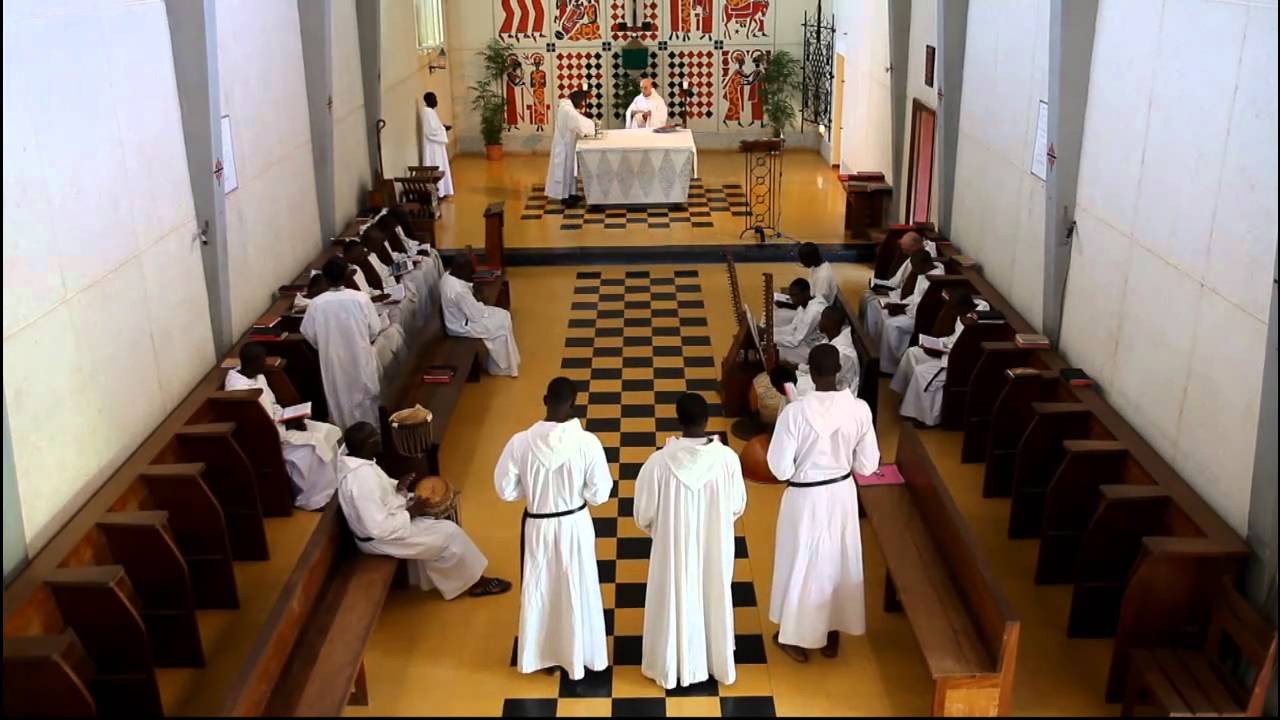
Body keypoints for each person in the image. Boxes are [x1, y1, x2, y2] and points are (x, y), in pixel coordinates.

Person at [767, 344, 880, 663]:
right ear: (839, 371)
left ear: (812, 373)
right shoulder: (859, 410)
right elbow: (868, 465)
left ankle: (793, 635)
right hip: (841, 495)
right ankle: (831, 633)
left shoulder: (795, 413)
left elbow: (780, 469)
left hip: (804, 497)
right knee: (836, 562)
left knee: (801, 562)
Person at [494, 377, 612, 680]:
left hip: (538, 523)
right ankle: (581, 655)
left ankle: (543, 656)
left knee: (541, 587)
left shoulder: (520, 441)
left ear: (545, 399)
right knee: (578, 585)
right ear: (574, 403)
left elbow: (505, 490)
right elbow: (599, 494)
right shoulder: (587, 443)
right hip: (574, 522)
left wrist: (532, 491)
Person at [634, 393, 746, 690]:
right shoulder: (727, 459)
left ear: (678, 420)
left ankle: (673, 666)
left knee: (675, 595)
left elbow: (643, 514)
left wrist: (668, 532)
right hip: (715, 545)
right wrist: (712, 526)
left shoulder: (658, 462)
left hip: (673, 548)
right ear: (707, 421)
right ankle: (715, 662)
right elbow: (736, 505)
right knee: (713, 593)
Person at [338, 422, 511, 598]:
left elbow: (380, 495)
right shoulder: (361, 480)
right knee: (450, 534)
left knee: (438, 526)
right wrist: (412, 512)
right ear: (366, 444)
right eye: (375, 437)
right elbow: (377, 528)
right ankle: (477, 583)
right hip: (379, 540)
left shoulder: (361, 463)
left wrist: (398, 487)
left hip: (390, 524)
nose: (380, 440)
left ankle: (461, 578)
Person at [224, 342, 344, 510]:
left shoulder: (258, 376)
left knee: (328, 430)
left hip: (280, 423)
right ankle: (314, 499)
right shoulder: (239, 392)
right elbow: (258, 427)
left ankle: (334, 485)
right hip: (270, 440)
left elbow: (272, 405)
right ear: (254, 362)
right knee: (314, 447)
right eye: (263, 360)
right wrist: (287, 424)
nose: (265, 364)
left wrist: (293, 416)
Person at [300, 258, 389, 429]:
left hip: (333, 361)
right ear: (347, 276)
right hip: (360, 357)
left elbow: (309, 334)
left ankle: (347, 439)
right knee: (366, 398)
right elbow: (374, 329)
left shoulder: (316, 304)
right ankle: (372, 436)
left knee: (339, 399)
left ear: (325, 278)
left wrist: (327, 346)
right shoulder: (360, 299)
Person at [891, 289, 985, 426]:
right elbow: (954, 338)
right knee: (912, 353)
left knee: (921, 373)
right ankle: (908, 397)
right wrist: (937, 343)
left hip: (955, 362)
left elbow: (963, 350)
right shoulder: (963, 312)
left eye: (954, 308)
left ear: (964, 306)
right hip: (947, 350)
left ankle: (926, 419)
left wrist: (941, 350)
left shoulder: (977, 320)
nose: (952, 312)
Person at [865, 249, 944, 374]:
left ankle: (890, 367)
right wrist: (900, 304)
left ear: (924, 264)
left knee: (891, 325)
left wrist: (902, 309)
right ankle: (877, 353)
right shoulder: (924, 272)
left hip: (919, 317)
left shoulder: (935, 280)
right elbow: (915, 297)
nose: (914, 270)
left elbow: (924, 306)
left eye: (915, 267)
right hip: (912, 309)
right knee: (882, 312)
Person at [441, 257, 522, 377]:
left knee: (504, 315)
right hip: (461, 326)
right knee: (500, 325)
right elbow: (475, 315)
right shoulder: (458, 291)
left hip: (463, 317)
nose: (471, 275)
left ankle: (504, 362)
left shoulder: (447, 276)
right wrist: (481, 304)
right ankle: (499, 367)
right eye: (469, 272)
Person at [791, 306, 860, 397]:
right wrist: (798, 367)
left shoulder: (843, 353)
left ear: (831, 323)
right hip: (825, 383)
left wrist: (799, 375)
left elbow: (828, 381)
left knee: (793, 388)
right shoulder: (832, 338)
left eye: (822, 319)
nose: (819, 322)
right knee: (791, 382)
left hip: (838, 394)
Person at [546, 90, 595, 209]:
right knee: (564, 172)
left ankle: (571, 194)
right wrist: (590, 123)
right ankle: (565, 198)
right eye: (581, 102)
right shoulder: (567, 109)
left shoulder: (566, 106)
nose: (582, 104)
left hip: (568, 144)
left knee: (570, 171)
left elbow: (576, 119)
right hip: (564, 147)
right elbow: (577, 122)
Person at [859, 231, 930, 312]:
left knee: (872, 302)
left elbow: (911, 292)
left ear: (914, 247)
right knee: (866, 295)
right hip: (898, 293)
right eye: (903, 250)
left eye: (906, 250)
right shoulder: (912, 257)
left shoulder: (921, 261)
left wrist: (889, 293)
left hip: (904, 299)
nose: (904, 253)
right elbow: (897, 281)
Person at [775, 243, 838, 328]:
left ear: (811, 258)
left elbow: (819, 304)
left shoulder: (823, 276)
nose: (802, 263)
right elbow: (810, 292)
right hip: (807, 306)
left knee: (776, 316)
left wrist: (791, 303)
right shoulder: (816, 267)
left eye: (803, 260)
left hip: (814, 315)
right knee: (775, 309)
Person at [773, 278, 828, 366]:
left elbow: (795, 341)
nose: (792, 299)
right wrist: (771, 332)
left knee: (776, 351)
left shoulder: (813, 311)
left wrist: (772, 338)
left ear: (806, 293)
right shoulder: (804, 305)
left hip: (813, 349)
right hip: (804, 341)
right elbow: (793, 327)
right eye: (791, 295)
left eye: (795, 295)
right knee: (775, 345)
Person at [419, 92, 454, 198]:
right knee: (436, 166)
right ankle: (438, 192)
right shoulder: (427, 112)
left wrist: (442, 127)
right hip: (433, 147)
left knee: (441, 166)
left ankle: (442, 191)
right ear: (428, 100)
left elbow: (435, 127)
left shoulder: (431, 112)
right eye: (434, 99)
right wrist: (443, 129)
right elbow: (430, 132)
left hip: (437, 146)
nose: (436, 101)